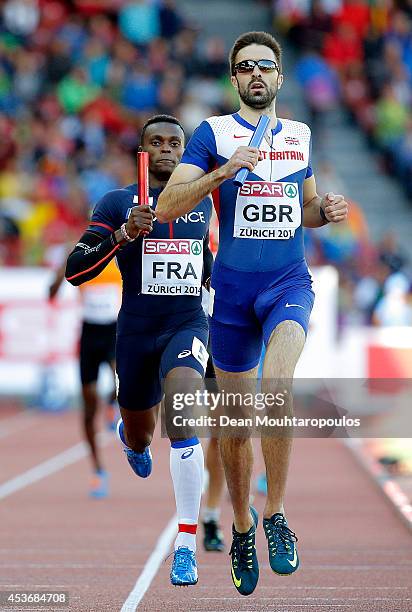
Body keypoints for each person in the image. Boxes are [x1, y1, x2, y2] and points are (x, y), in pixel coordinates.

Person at [156, 31, 348, 596]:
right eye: (246, 67)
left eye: (266, 65)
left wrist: (326, 210)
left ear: (280, 77)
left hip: (288, 283)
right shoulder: (213, 134)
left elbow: (306, 209)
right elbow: (167, 204)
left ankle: (276, 515)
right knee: (235, 425)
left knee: (278, 387)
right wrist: (224, 171)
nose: (256, 74)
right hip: (234, 298)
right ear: (235, 79)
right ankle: (241, 527)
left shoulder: (299, 134)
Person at [65, 114, 214, 587]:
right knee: (142, 433)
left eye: (176, 142)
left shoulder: (205, 200)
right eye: (158, 142)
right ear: (143, 152)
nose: (169, 148)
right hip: (134, 332)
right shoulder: (116, 202)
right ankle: (131, 440)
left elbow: (207, 259)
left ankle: (185, 545)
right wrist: (123, 234)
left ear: (185, 151)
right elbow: (74, 270)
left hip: (186, 323)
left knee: (184, 418)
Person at [49, 254, 121, 499]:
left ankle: (112, 403)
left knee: (121, 383)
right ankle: (98, 470)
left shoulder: (121, 252)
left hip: (114, 330)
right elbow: (50, 293)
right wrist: (61, 271)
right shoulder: (82, 256)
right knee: (89, 410)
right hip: (90, 336)